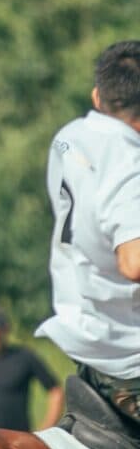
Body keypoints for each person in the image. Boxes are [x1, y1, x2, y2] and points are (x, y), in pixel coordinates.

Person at [34, 40, 140, 422]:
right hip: (129, 353)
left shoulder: (68, 138)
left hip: (82, 327)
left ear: (97, 95)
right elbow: (134, 262)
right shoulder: (130, 162)